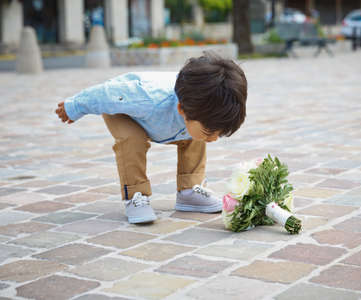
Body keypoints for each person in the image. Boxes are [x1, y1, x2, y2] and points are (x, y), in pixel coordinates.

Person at [55, 51, 247, 224]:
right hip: (123, 110)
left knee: (197, 137)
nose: (214, 139)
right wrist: (74, 107)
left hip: (172, 121)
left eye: (219, 134)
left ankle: (190, 190)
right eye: (211, 133)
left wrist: (206, 132)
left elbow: (205, 124)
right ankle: (136, 195)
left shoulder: (200, 104)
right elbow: (105, 93)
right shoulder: (144, 97)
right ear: (182, 109)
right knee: (132, 139)